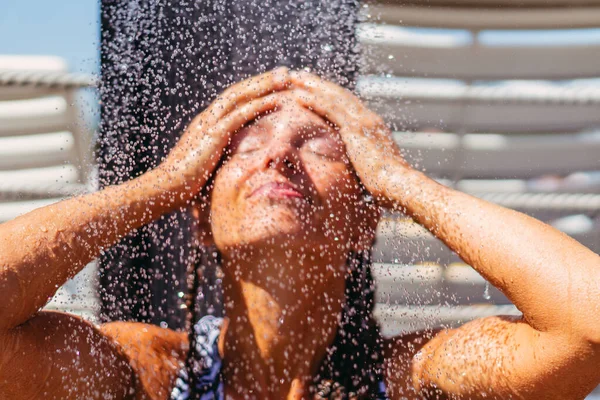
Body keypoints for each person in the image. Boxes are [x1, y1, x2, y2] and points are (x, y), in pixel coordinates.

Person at [0, 68, 599, 400]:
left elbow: (589, 325)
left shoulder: (412, 377)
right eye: (244, 147)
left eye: (320, 145)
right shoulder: (148, 373)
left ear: (367, 220)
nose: (279, 156)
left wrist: (403, 183)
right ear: (201, 220)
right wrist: (159, 185)